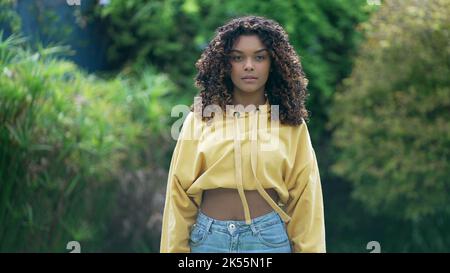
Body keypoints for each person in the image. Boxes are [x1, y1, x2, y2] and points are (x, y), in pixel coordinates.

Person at [160, 15, 325, 253]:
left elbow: (305, 200)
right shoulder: (199, 118)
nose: (249, 65)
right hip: (208, 241)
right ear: (225, 64)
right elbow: (178, 196)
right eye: (238, 58)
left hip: (268, 241)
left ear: (273, 62)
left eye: (259, 57)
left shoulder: (290, 122)